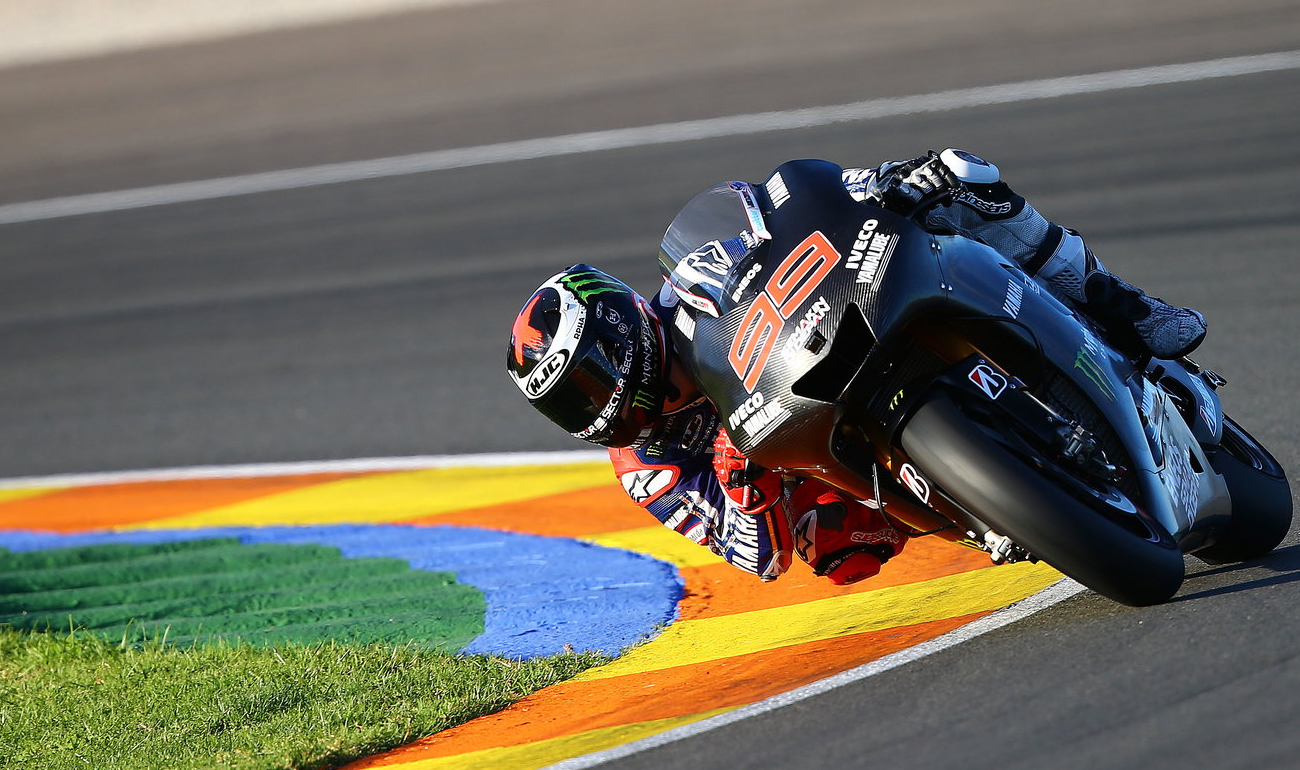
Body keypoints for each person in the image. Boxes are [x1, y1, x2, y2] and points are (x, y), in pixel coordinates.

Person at [506, 149, 1206, 586]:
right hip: (820, 455)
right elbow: (758, 560)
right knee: (837, 549)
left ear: (623, 323)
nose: (604, 406)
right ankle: (985, 505)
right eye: (573, 404)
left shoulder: (696, 271)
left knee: (961, 179)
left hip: (838, 321)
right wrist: (740, 480)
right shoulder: (645, 467)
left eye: (593, 378)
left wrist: (879, 187)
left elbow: (786, 207)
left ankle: (1121, 305)